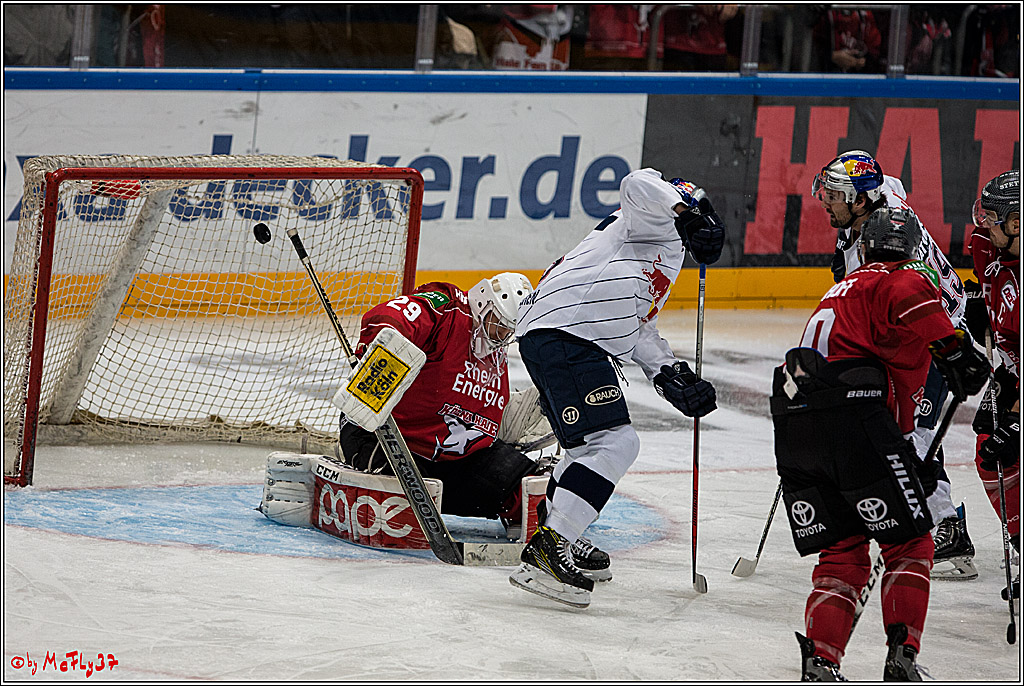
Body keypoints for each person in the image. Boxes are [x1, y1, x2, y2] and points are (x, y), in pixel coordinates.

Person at [773, 206, 989, 680]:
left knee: (844, 552)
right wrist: (955, 350)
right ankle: (902, 658)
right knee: (910, 543)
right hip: (856, 421)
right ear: (912, 251)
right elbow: (911, 297)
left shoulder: (839, 288)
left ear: (864, 246)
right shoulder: (899, 278)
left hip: (796, 426)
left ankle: (822, 662)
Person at [508, 168, 724, 608]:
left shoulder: (666, 251)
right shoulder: (654, 217)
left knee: (583, 448)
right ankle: (550, 549)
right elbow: (636, 182)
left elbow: (640, 324)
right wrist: (683, 212)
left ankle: (559, 533)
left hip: (561, 334)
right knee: (615, 442)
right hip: (570, 333)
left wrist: (670, 373)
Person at [336, 273, 610, 578]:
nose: (503, 335)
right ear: (483, 302)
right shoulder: (448, 308)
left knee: (535, 487)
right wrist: (380, 350)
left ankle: (560, 537)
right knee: (398, 507)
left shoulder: (492, 343)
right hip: (386, 436)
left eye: (510, 330)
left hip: (457, 457)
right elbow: (390, 316)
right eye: (500, 323)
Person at [811, 150, 977, 580]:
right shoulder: (877, 207)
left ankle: (946, 527)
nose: (823, 201)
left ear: (861, 202)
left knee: (913, 439)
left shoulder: (882, 246)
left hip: (935, 335)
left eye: (833, 195)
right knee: (894, 434)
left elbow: (907, 301)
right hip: (913, 330)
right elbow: (891, 183)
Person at [968, 169, 1020, 604]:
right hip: (1014, 370)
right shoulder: (1000, 258)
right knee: (990, 450)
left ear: (1017, 223)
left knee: (1005, 446)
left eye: (994, 217)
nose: (984, 224)